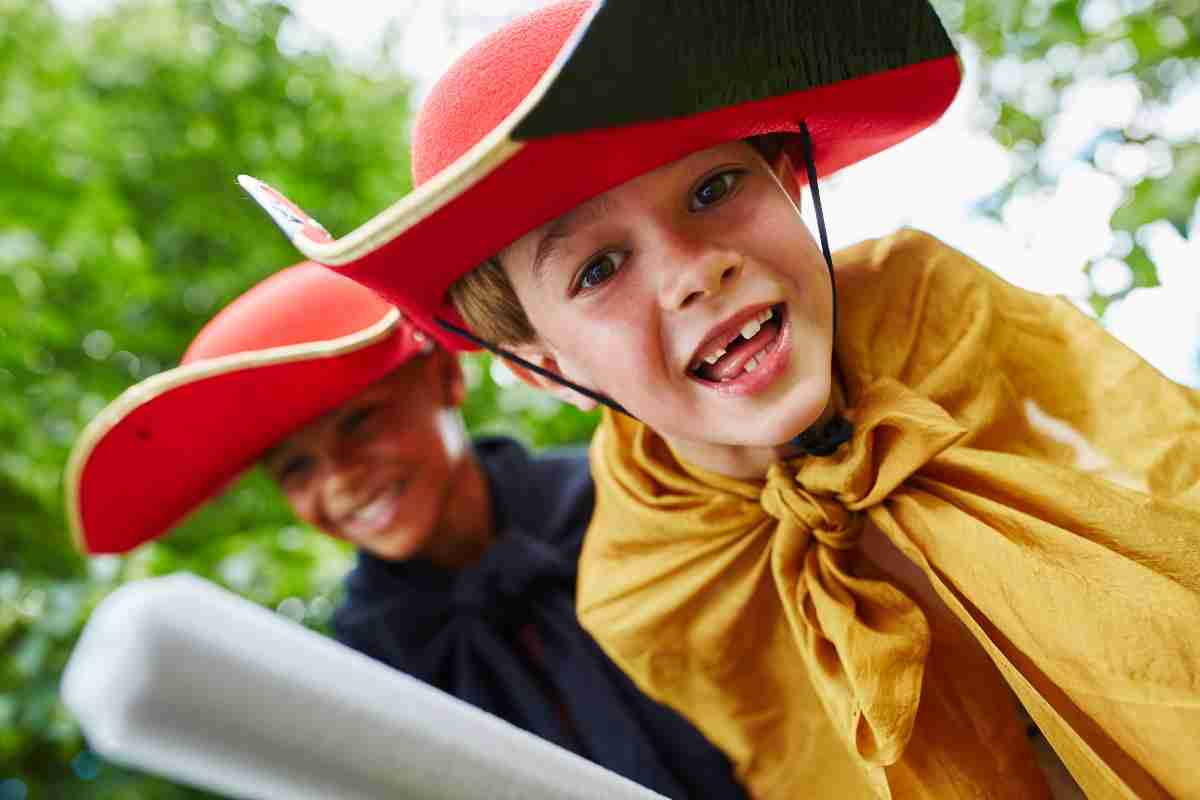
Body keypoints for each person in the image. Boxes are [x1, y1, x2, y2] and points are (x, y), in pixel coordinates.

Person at [242, 2, 1200, 799]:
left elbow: (1161, 468)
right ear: (532, 363)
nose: (695, 273)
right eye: (599, 268)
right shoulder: (643, 582)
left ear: (790, 181)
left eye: (714, 187)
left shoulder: (939, 313)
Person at [67, 262, 751, 800]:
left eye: (361, 422)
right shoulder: (356, 666)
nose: (338, 482)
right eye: (297, 468)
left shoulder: (633, 499)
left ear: (447, 379)